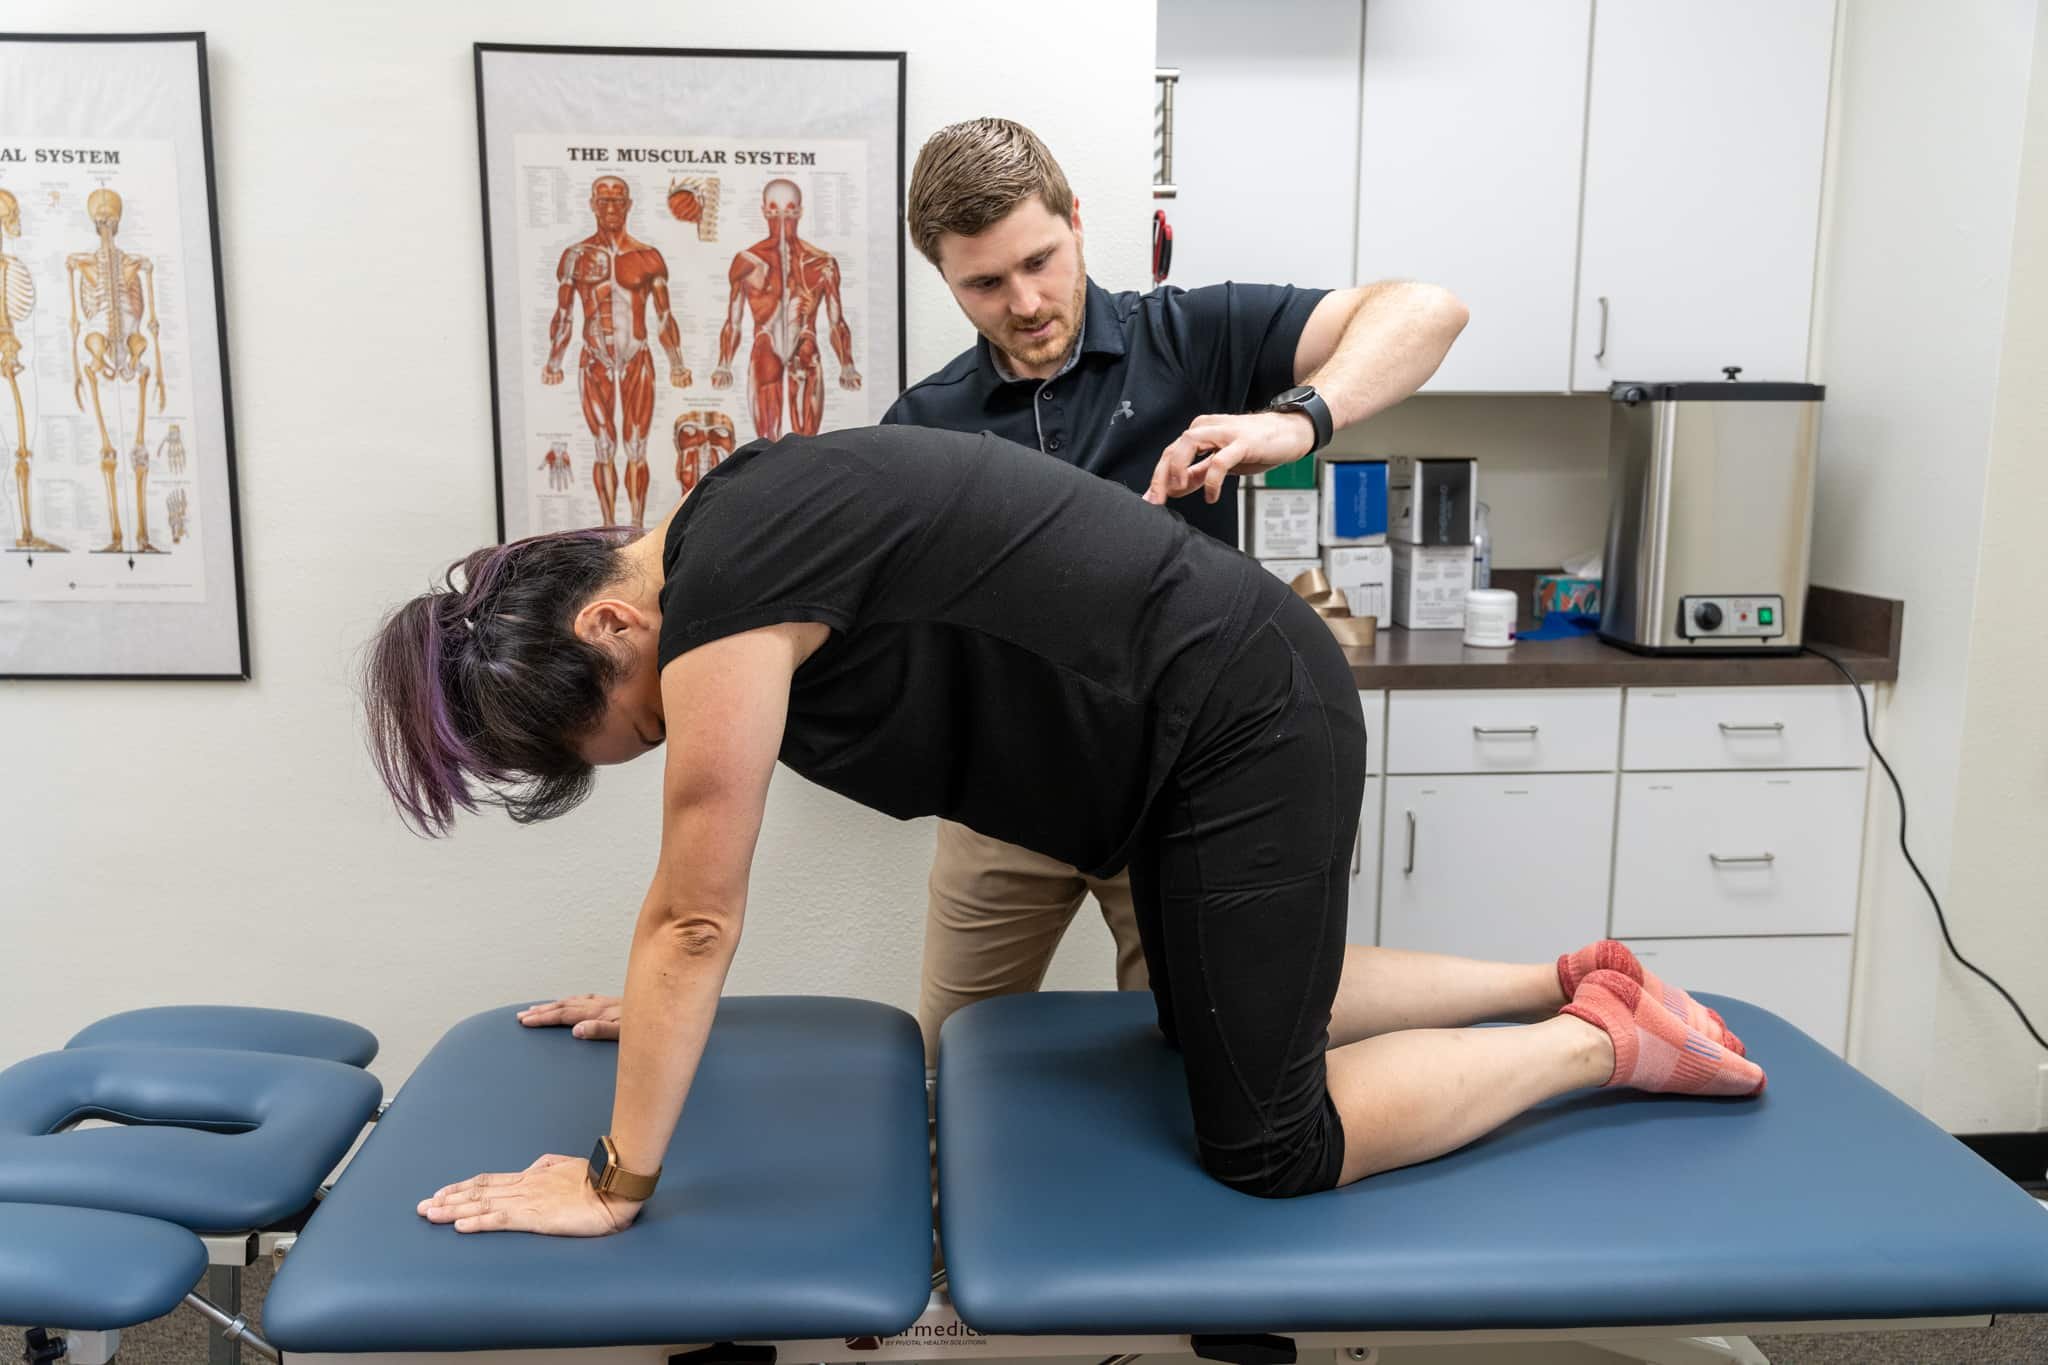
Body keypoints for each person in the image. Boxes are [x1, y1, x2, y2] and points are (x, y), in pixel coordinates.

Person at [366, 423, 1766, 1239]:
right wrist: (663, 1005)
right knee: (1202, 1013)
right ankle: (1568, 977)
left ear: (611, 621)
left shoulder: (725, 587)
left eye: (633, 728)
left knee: (1268, 1143)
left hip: (1241, 719)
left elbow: (693, 910)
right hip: (1199, 723)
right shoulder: (722, 534)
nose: (663, 738)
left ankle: (1599, 1042)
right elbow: (695, 899)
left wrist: (611, 1181)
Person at [522, 116, 1479, 1064]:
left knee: (1196, 1058)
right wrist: (678, 992)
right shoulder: (922, 427)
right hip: (1003, 813)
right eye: (984, 283)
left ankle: (1525, 1004)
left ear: (1075, 219)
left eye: (1041, 261)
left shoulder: (1189, 337)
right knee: (953, 1057)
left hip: (1175, 783)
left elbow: (1426, 310)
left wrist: (1299, 420)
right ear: (944, 278)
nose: (1025, 302)